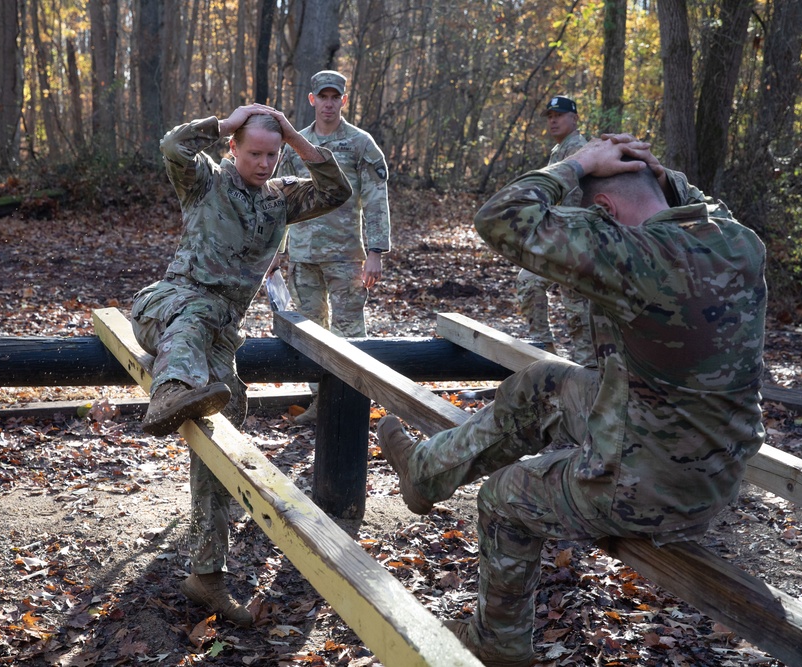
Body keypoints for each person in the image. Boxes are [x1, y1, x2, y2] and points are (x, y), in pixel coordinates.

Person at [377, 134, 766, 666]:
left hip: (658, 490)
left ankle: (498, 642)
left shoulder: (632, 257)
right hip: (712, 458)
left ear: (603, 210)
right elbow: (694, 198)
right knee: (544, 382)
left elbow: (500, 218)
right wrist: (654, 170)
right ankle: (426, 472)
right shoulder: (738, 240)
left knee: (501, 499)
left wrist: (578, 162)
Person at [131, 104, 351, 626]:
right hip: (166, 307)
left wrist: (296, 137)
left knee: (218, 446)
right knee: (199, 311)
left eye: (272, 154)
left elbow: (338, 192)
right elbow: (173, 147)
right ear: (233, 149)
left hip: (219, 337)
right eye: (254, 152)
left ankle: (207, 575)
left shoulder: (280, 199)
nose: (265, 163)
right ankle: (170, 390)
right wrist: (227, 123)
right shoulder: (204, 182)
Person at [274, 70, 392, 424]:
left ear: (344, 100)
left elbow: (375, 199)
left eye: (334, 97)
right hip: (303, 254)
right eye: (322, 97)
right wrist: (277, 251)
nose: (328, 103)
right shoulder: (298, 144)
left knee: (350, 331)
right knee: (310, 332)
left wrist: (376, 251)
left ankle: (355, 404)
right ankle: (321, 404)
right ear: (312, 100)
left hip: (345, 256)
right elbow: (280, 198)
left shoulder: (360, 144)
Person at [515, 95, 594, 366]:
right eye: (550, 115)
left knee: (577, 311)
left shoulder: (577, 149)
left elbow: (571, 202)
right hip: (561, 239)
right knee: (531, 282)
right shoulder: (561, 149)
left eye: (559, 115)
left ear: (574, 118)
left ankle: (586, 370)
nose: (553, 120)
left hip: (576, 240)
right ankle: (544, 356)